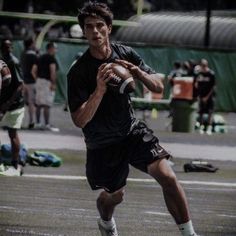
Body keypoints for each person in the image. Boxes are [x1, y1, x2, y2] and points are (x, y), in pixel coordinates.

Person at [67, 2, 198, 236]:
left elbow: (158, 85)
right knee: (115, 196)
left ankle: (189, 233)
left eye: (99, 25)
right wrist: (99, 90)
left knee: (167, 175)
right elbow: (79, 120)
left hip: (131, 131)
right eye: (89, 27)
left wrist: (140, 74)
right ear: (84, 31)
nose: (95, 31)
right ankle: (106, 223)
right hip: (102, 142)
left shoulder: (125, 53)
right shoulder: (78, 71)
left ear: (109, 27)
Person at [0, 39, 25, 176]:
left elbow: (20, 85)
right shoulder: (3, 61)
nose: (8, 48)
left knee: (12, 134)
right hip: (5, 104)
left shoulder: (13, 62)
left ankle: (15, 162)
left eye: (9, 46)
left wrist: (8, 103)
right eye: (5, 46)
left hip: (14, 105)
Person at [35, 42, 59, 132]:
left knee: (39, 104)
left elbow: (34, 70)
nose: (56, 50)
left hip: (39, 81)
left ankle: (37, 124)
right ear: (50, 48)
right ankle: (47, 125)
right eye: (55, 48)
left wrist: (38, 79)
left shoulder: (40, 57)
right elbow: (52, 71)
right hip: (47, 82)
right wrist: (53, 83)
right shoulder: (51, 58)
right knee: (47, 104)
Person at [195, 59, 216, 135]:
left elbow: (213, 86)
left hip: (209, 96)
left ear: (206, 65)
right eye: (202, 65)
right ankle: (201, 126)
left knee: (210, 111)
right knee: (201, 112)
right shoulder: (199, 73)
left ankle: (209, 128)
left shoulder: (211, 74)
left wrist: (207, 97)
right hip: (201, 96)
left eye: (204, 66)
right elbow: (197, 84)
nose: (203, 67)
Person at [21, 37, 38, 129]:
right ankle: (31, 121)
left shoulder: (23, 54)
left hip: (24, 81)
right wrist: (37, 80)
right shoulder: (33, 55)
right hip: (31, 82)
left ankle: (20, 121)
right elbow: (33, 71)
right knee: (31, 103)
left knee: (23, 103)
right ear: (31, 44)